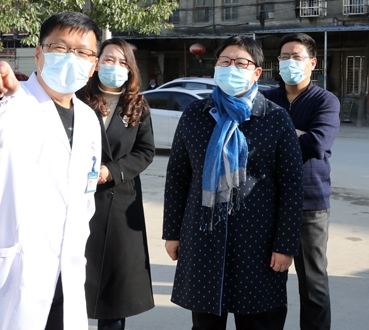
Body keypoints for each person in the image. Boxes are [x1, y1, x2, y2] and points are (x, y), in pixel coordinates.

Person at [0, 11, 103, 330]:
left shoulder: (89, 119)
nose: (71, 58)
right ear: (38, 53)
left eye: (83, 52)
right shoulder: (9, 103)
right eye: (60, 48)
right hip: (9, 276)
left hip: (66, 275)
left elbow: (85, 195)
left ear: (93, 65)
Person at [162, 35, 304, 330]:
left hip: (258, 243)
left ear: (257, 72)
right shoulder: (195, 115)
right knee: (205, 323)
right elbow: (178, 177)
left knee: (258, 322)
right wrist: (172, 233)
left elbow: (291, 187)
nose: (231, 68)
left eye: (241, 63)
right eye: (225, 62)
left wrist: (285, 245)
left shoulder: (275, 119)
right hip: (203, 237)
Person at [262, 33, 340, 330]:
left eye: (296, 57)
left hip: (311, 203)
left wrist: (277, 135)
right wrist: (296, 135)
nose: (289, 62)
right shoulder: (266, 99)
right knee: (269, 280)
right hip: (268, 200)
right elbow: (252, 141)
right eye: (284, 57)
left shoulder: (325, 101)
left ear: (312, 63)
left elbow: (317, 144)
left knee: (313, 284)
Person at [77, 39, 155, 330]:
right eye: (108, 60)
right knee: (71, 286)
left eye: (123, 62)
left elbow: (145, 152)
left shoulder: (137, 105)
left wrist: (112, 170)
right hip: (77, 199)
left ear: (131, 69)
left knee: (113, 291)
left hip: (119, 202)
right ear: (96, 63)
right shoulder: (78, 98)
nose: (115, 67)